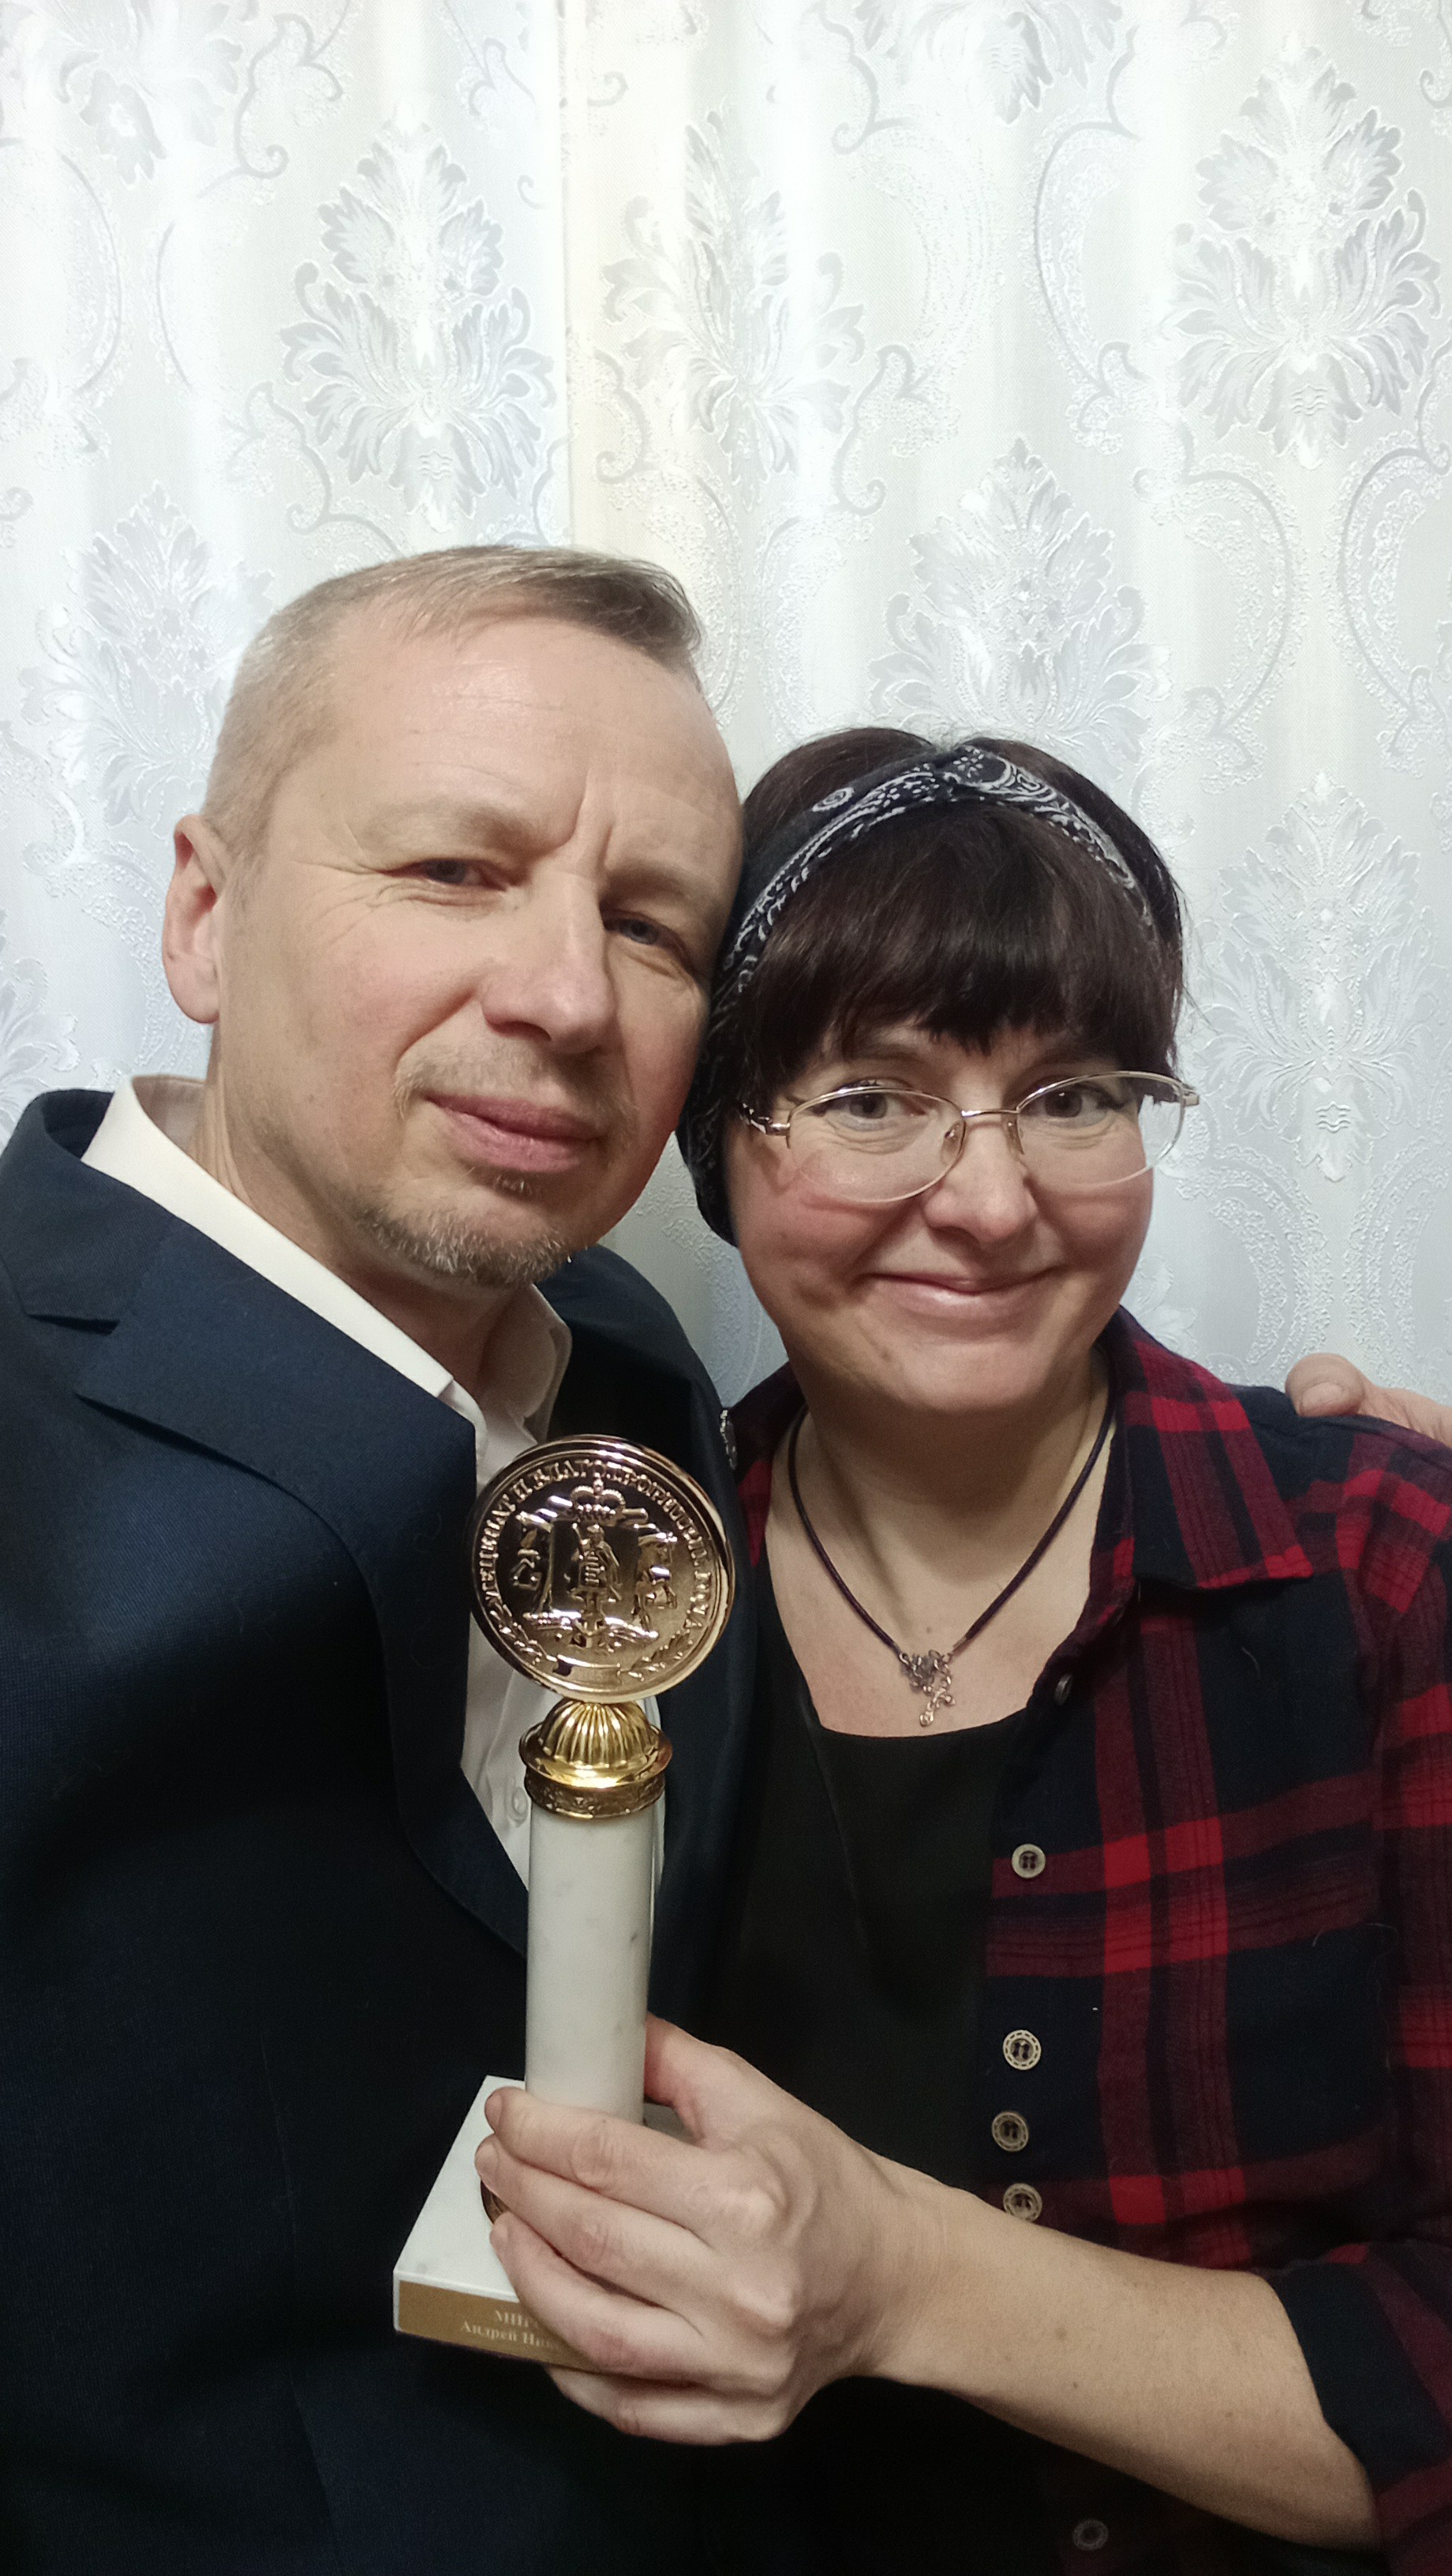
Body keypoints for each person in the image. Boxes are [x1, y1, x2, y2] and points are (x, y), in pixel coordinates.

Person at [473, 728, 1452, 2575]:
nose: (991, 1203)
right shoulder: (607, 1605)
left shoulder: (1383, 1570)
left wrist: (901, 2277)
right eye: (868, 1099)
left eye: (1074, 1096)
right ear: (715, 1150)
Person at [0, 545, 754, 2573]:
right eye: (451, 871)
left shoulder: (631, 1367)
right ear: (206, 912)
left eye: (651, 925)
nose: (567, 997)